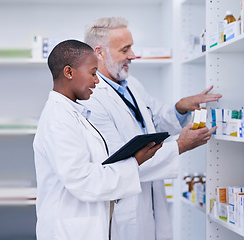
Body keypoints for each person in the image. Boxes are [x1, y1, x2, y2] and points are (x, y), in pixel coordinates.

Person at [80, 17, 221, 240]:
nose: (133, 56)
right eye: (125, 49)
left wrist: (180, 108)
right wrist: (180, 146)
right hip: (125, 208)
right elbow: (121, 160)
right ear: (99, 52)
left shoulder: (131, 84)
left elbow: (153, 119)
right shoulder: (92, 99)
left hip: (152, 200)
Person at [33, 39, 165, 240]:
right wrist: (135, 161)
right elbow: (83, 180)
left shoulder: (73, 113)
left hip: (88, 226)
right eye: (93, 73)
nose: (97, 81)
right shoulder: (59, 119)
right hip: (68, 231)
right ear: (69, 72)